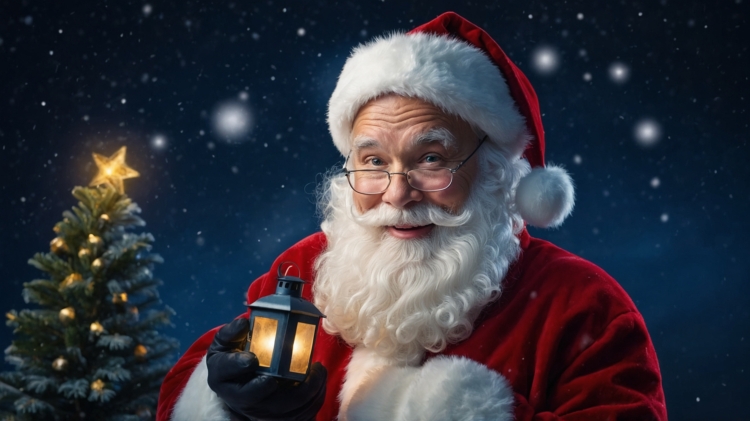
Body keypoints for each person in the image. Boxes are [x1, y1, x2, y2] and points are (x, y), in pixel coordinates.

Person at [157, 12, 667, 421]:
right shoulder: (303, 268)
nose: (397, 194)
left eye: (431, 159)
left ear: (493, 173)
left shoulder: (584, 305)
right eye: (374, 161)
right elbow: (185, 388)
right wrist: (225, 400)